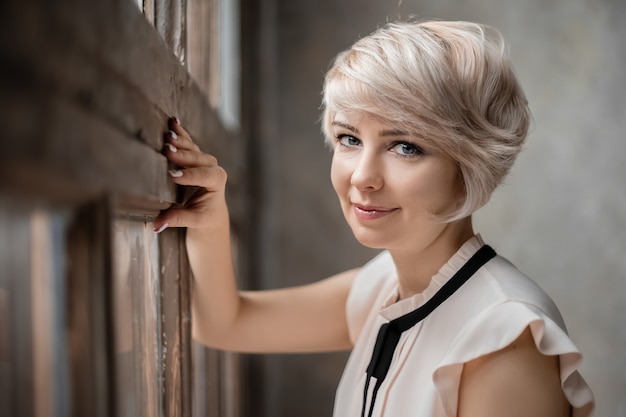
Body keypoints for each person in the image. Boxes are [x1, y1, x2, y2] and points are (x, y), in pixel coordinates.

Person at [154, 19, 594, 417]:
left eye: (405, 146)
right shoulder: (383, 286)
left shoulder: (505, 338)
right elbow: (226, 324)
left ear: (469, 168)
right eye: (348, 138)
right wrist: (211, 220)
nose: (362, 177)